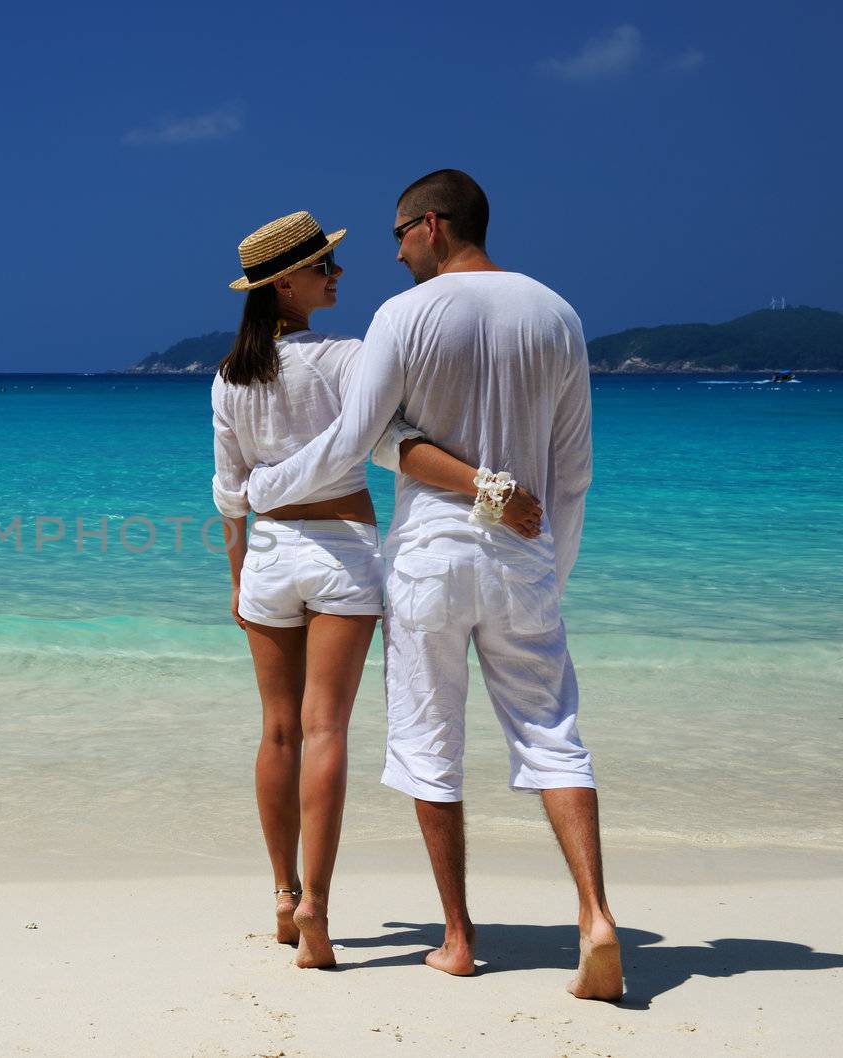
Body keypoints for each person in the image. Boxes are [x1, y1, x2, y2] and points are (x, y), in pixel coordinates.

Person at [243, 171, 621, 1000]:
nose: (393, 251)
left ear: (434, 226)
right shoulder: (558, 313)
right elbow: (574, 472)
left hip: (428, 560)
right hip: (522, 556)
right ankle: (595, 916)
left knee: (427, 747)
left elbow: (357, 439)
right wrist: (551, 570)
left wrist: (264, 492)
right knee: (554, 736)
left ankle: (457, 938)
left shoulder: (403, 317)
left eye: (398, 234)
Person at [212, 210, 542, 970]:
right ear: (284, 284)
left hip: (268, 555)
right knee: (325, 730)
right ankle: (319, 914)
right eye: (324, 266)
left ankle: (284, 898)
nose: (338, 275)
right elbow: (395, 443)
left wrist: (237, 578)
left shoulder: (230, 377)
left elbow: (230, 493)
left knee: (278, 733)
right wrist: (489, 487)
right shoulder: (347, 357)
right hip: (341, 553)